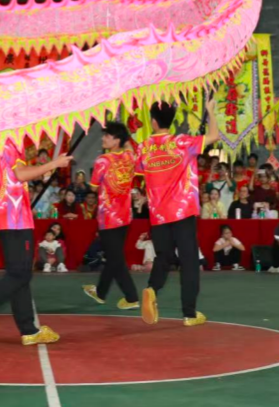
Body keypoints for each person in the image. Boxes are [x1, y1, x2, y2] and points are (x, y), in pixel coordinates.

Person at [0, 141, 72, 349]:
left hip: (8, 215)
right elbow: (20, 174)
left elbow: (14, 175)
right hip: (13, 217)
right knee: (19, 274)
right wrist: (54, 163)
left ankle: (29, 330)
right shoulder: (9, 142)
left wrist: (43, 170)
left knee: (20, 273)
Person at [134, 99, 220, 326]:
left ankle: (152, 288)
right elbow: (214, 136)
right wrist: (210, 111)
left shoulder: (143, 147)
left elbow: (141, 171)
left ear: (153, 122)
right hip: (183, 211)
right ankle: (189, 314)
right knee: (189, 260)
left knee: (163, 256)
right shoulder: (182, 142)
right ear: (171, 121)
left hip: (158, 214)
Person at [81, 122, 141, 308]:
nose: (103, 138)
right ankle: (100, 292)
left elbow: (93, 187)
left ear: (116, 140)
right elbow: (129, 145)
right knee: (114, 256)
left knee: (116, 259)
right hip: (125, 216)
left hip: (108, 217)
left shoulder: (103, 160)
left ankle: (132, 298)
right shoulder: (130, 156)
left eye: (107, 136)